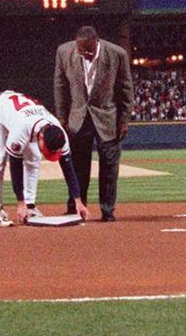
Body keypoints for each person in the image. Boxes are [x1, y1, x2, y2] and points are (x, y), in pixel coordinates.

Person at [54, 26, 134, 222]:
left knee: (109, 166)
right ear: (76, 44)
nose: (86, 55)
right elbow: (60, 85)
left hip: (108, 117)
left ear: (97, 42)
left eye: (90, 50)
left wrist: (124, 119)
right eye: (82, 51)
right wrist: (62, 116)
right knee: (78, 166)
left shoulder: (116, 53)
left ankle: (107, 210)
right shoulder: (64, 51)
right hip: (78, 118)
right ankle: (75, 208)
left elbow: (126, 87)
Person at [0, 90, 90, 227]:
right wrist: (20, 202)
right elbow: (15, 167)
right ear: (41, 138)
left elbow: (68, 168)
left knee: (35, 156)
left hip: (19, 114)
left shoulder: (60, 134)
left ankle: (30, 207)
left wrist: (78, 201)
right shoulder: (21, 130)